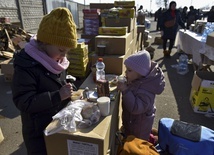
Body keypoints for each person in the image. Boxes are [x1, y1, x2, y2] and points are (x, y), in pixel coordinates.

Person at [12, 7, 77, 155]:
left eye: (67, 52)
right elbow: (24, 101)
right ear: (45, 43)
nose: (63, 56)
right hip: (38, 133)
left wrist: (68, 85)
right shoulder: (26, 65)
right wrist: (57, 96)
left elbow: (56, 80)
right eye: (61, 50)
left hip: (55, 123)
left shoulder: (55, 59)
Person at [117, 50, 165, 141]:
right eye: (126, 69)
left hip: (139, 127)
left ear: (140, 73)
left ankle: (151, 141)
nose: (126, 72)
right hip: (132, 122)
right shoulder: (137, 80)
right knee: (130, 135)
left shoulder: (146, 91)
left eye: (129, 70)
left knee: (138, 143)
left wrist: (125, 90)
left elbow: (135, 108)